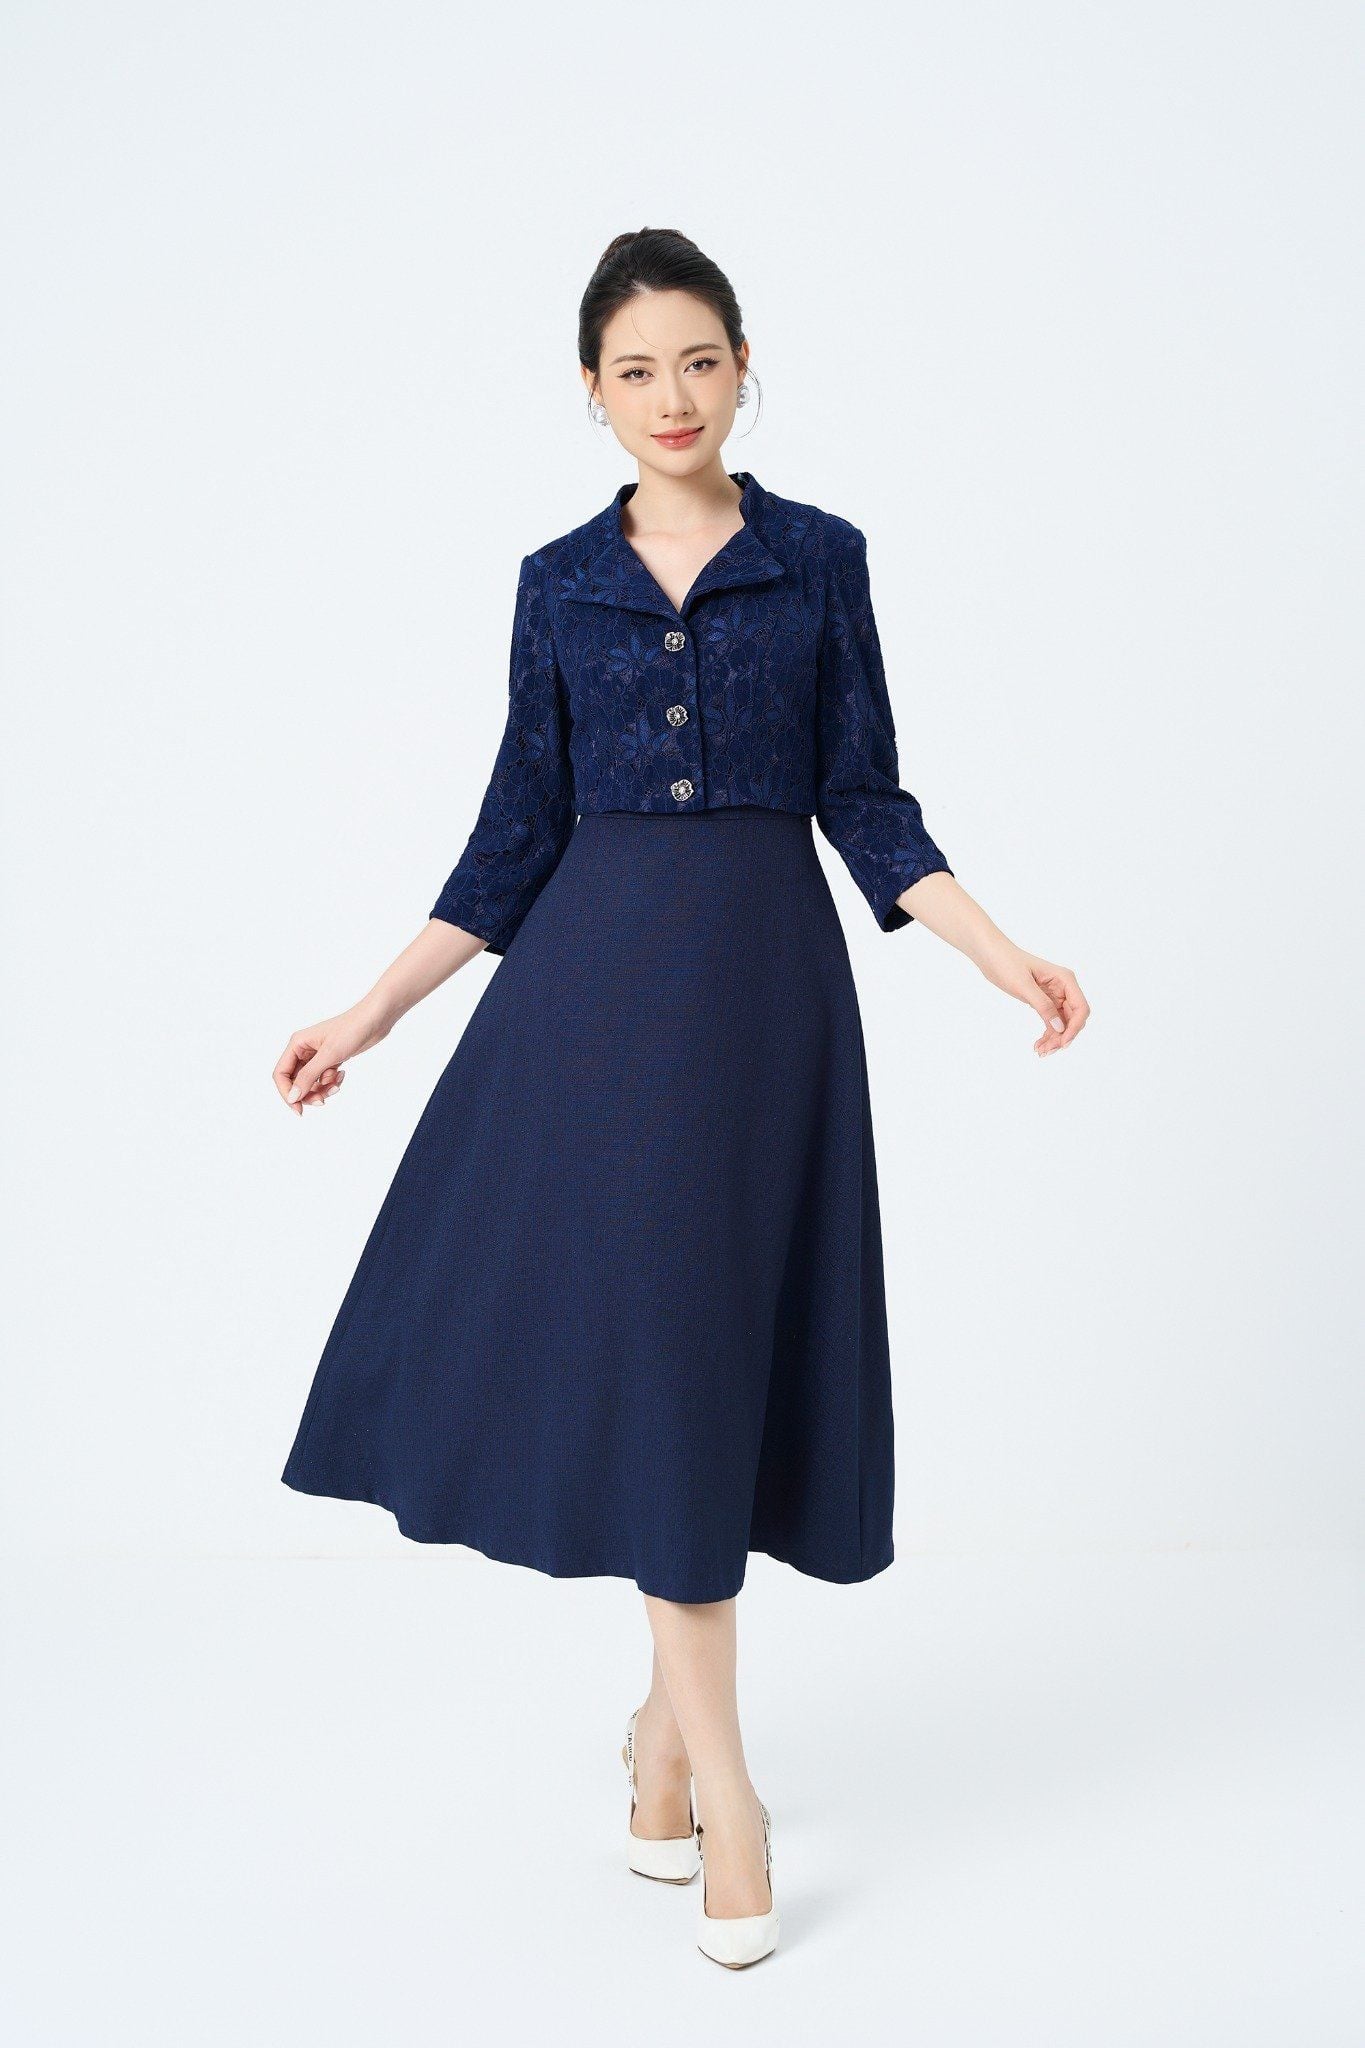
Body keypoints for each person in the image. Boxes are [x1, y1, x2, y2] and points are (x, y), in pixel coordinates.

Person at [273, 226, 1089, 1970]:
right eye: (635, 369)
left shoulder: (818, 559)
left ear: (742, 368)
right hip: (593, 1017)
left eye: (698, 362)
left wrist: (999, 954)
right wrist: (368, 1014)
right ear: (591, 389)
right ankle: (726, 1787)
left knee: (712, 1368)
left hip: (765, 1009)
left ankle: (658, 1740)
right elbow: (513, 835)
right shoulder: (556, 582)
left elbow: (867, 799)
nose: (670, 396)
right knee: (658, 1368)